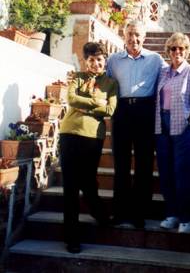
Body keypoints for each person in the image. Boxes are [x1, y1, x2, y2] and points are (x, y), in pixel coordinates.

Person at [59, 42, 118, 253]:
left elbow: (110, 109)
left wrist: (87, 103)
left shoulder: (111, 83)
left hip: (93, 137)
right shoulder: (76, 77)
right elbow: (71, 99)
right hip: (69, 134)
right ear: (86, 61)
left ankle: (100, 214)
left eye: (99, 59)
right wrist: (95, 104)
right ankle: (71, 237)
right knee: (70, 187)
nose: (96, 63)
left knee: (88, 182)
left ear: (105, 60)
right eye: (91, 59)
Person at [107, 20, 166, 228]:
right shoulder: (112, 60)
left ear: (145, 37)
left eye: (138, 34)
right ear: (124, 36)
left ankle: (139, 213)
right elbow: (103, 84)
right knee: (121, 164)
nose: (134, 38)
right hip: (121, 111)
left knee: (144, 164)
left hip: (145, 112)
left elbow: (171, 77)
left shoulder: (156, 59)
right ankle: (120, 212)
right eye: (130, 34)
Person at [155, 32, 190, 234]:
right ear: (168, 51)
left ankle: (185, 218)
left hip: (182, 127)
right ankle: (171, 214)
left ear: (187, 51)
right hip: (162, 126)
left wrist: (189, 121)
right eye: (173, 48)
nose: (177, 51)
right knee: (166, 171)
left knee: (182, 173)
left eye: (181, 48)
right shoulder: (164, 72)